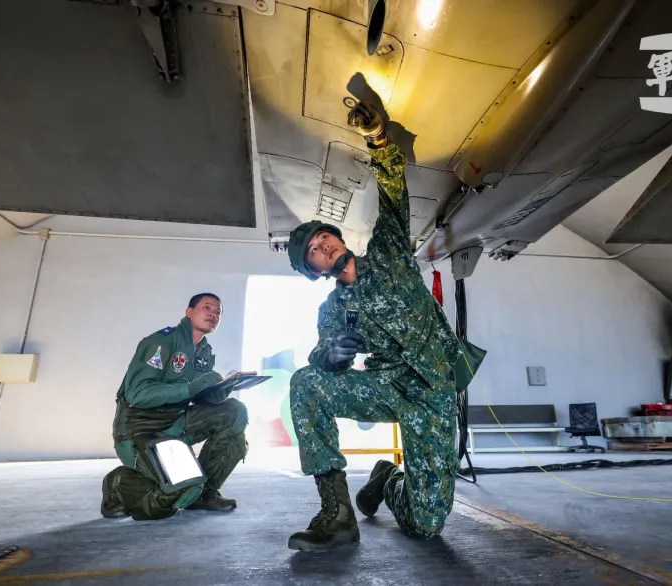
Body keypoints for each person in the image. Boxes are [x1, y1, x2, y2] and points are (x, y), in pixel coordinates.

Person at [285, 100, 462, 552]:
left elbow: (391, 195)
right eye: (312, 251)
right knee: (307, 382)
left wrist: (379, 141)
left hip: (433, 389)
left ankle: (386, 481)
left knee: (426, 526)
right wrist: (334, 356)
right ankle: (336, 512)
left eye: (322, 236)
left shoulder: (388, 252)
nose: (320, 245)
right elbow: (322, 355)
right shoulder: (333, 307)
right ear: (315, 270)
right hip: (384, 386)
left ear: (337, 237)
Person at [100, 293, 249, 521]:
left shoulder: (204, 352)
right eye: (207, 307)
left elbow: (197, 396)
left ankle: (204, 494)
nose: (213, 314)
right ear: (188, 312)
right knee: (180, 492)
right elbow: (138, 394)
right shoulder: (161, 342)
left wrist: (218, 392)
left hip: (177, 423)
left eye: (218, 312)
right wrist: (190, 388)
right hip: (140, 430)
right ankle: (119, 483)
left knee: (234, 412)